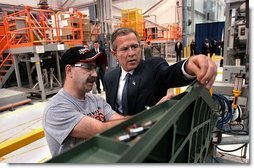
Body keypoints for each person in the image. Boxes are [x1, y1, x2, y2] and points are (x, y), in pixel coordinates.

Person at [104, 27, 217, 116]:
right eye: (124, 49)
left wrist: (188, 65)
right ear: (114, 54)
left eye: (134, 47)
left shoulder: (154, 67)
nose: (131, 53)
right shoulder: (109, 77)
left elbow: (171, 73)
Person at [42, 47, 127, 157]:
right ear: (69, 70)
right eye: (88, 68)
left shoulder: (97, 100)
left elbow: (120, 120)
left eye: (94, 68)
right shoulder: (56, 109)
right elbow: (101, 129)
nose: (95, 74)